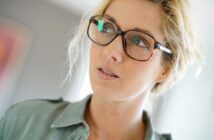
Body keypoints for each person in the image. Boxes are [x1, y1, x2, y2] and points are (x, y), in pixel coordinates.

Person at [0, 0, 202, 140]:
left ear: (165, 69)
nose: (112, 52)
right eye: (106, 28)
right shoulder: (23, 121)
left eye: (138, 41)